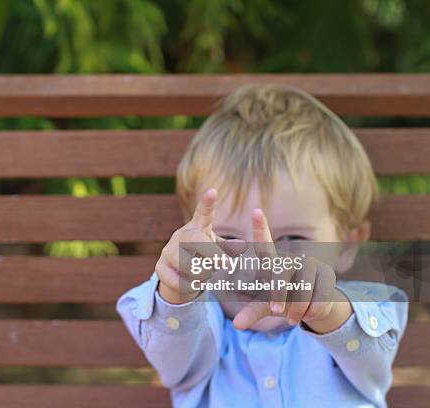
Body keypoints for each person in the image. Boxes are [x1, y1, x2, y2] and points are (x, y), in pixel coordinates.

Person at [116, 84, 408, 407]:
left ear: (346, 245)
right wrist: (177, 288)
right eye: (226, 239)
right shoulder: (199, 327)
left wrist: (324, 309)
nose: (258, 264)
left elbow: (372, 359)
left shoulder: (363, 312)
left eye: (293, 239)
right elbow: (170, 357)